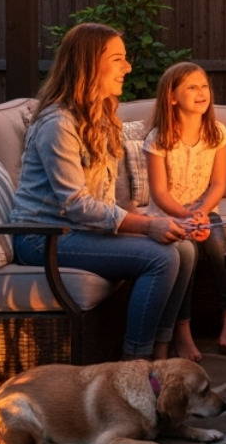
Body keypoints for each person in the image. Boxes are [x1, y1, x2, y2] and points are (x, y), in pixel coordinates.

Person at [10, 22, 194, 361]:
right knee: (161, 256)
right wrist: (145, 227)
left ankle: (162, 349)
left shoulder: (101, 115)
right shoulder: (58, 124)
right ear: (89, 64)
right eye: (118, 59)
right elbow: (76, 204)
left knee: (183, 249)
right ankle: (134, 363)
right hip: (43, 237)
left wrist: (142, 216)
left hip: (78, 230)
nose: (128, 67)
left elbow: (103, 197)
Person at [145, 62, 226, 361]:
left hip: (204, 211)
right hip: (168, 214)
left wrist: (201, 213)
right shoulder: (158, 138)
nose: (201, 93)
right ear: (172, 97)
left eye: (204, 86)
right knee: (186, 252)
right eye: (192, 87)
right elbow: (159, 193)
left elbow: (219, 183)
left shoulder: (216, 132)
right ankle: (183, 330)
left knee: (218, 246)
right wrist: (185, 217)